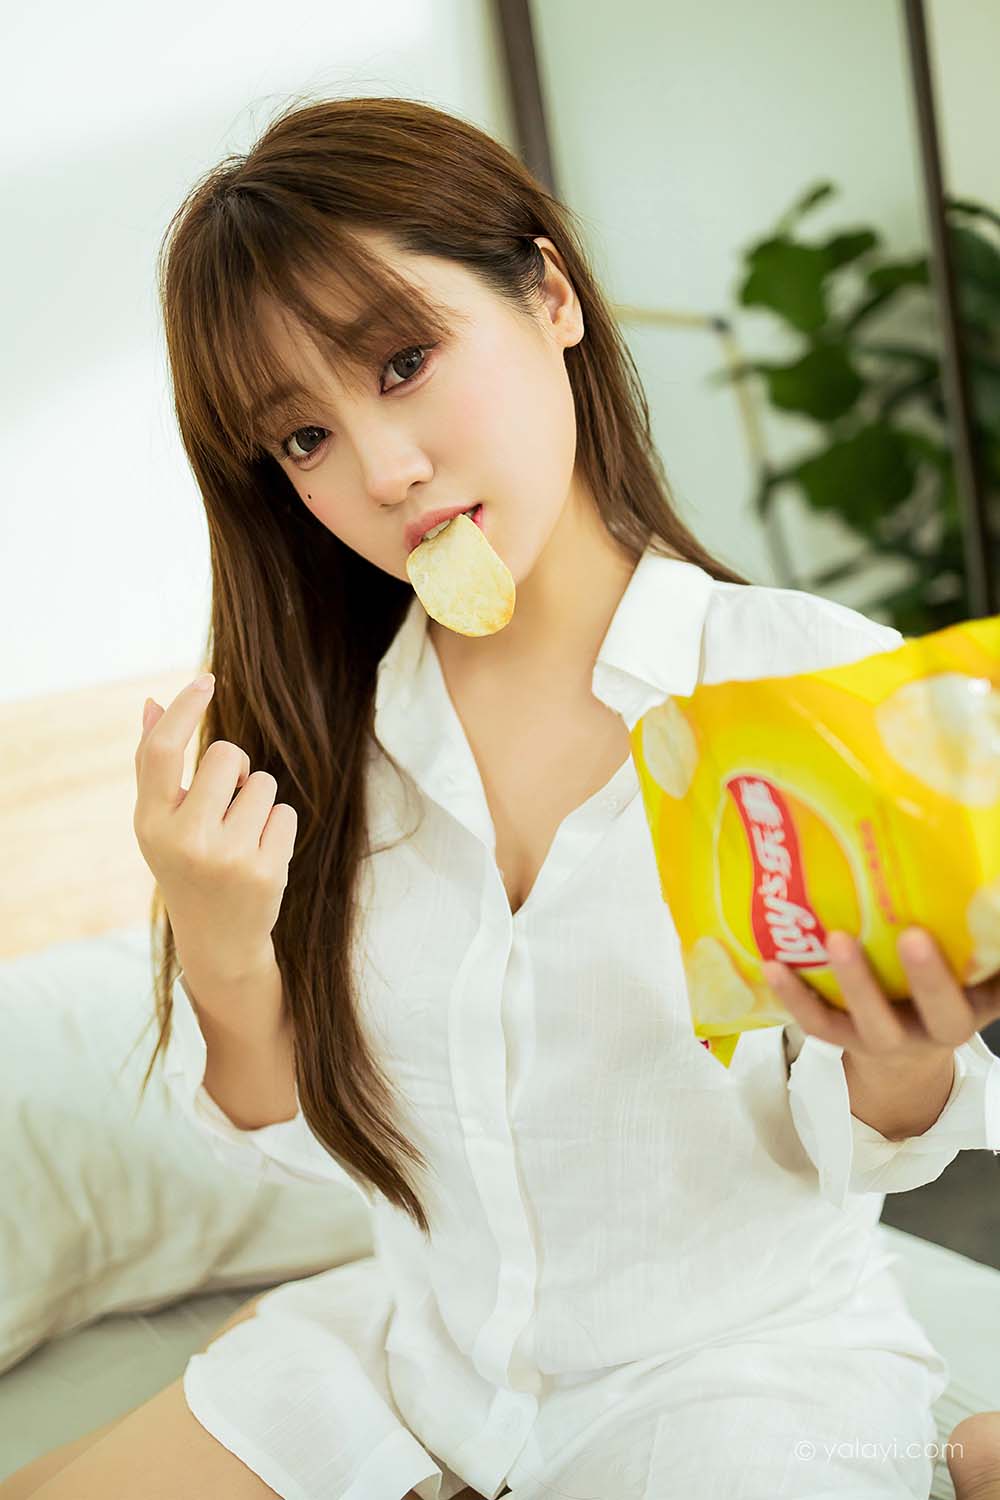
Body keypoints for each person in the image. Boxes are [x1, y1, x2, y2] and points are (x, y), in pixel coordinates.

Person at [9, 95, 1000, 1500]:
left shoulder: (807, 684)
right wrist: (221, 949)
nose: (384, 470)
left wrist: (902, 1056)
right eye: (303, 439)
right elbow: (301, 1153)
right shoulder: (316, 733)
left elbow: (869, 1146)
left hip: (732, 1381)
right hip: (415, 1356)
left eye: (404, 362)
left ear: (549, 297)